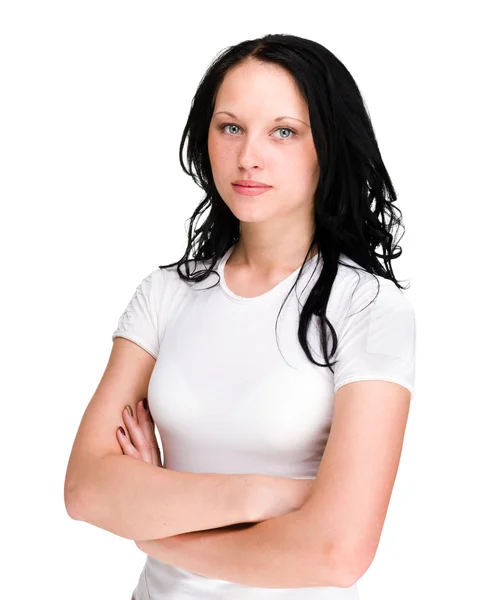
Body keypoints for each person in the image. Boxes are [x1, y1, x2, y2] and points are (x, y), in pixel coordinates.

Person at [67, 33, 416, 599]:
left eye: (284, 131)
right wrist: (268, 494)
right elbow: (85, 489)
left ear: (326, 145)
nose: (249, 156)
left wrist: (158, 526)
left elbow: (337, 554)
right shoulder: (165, 294)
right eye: (231, 127)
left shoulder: (368, 307)